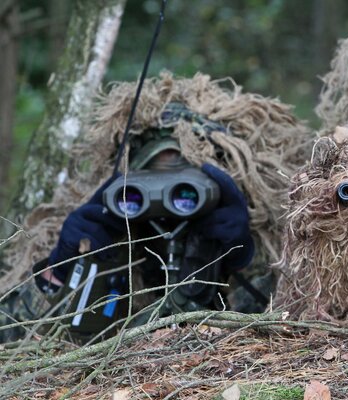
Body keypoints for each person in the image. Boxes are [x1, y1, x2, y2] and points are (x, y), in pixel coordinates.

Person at [0, 107, 255, 343]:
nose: (166, 205)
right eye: (149, 186)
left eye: (184, 191)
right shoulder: (110, 240)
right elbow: (11, 334)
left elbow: (279, 321)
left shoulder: (246, 228)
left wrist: (240, 258)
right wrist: (63, 272)